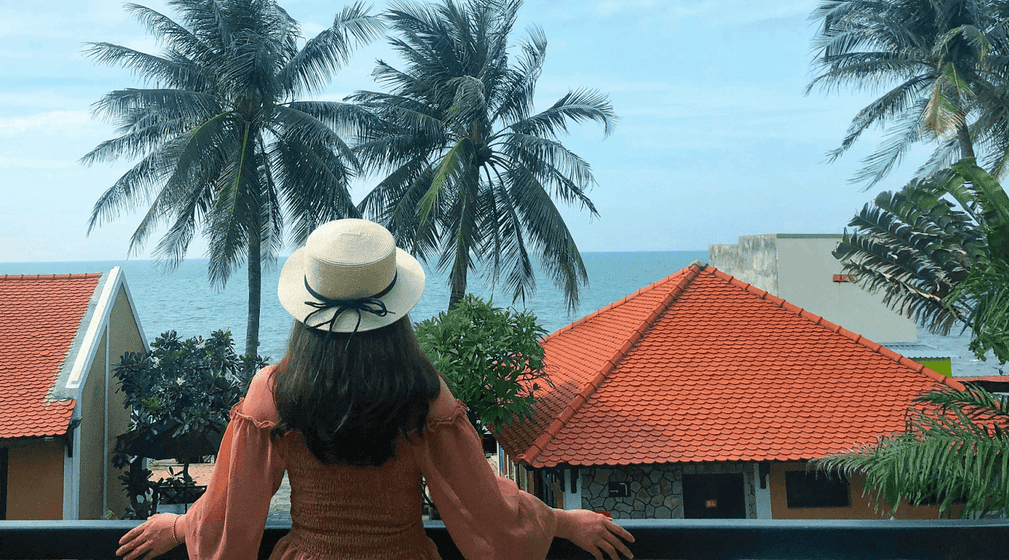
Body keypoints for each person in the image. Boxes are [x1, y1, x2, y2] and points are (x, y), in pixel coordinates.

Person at [117, 218, 635, 560]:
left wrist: (180, 527)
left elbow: (231, 516)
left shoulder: (273, 393)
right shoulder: (424, 394)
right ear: (394, 309)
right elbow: (489, 515)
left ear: (307, 307)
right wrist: (561, 521)